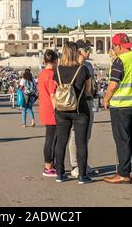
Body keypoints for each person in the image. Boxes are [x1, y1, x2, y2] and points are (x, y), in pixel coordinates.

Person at [103, 33, 132, 184]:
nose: (114, 49)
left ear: (118, 46)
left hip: (121, 106)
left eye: (114, 46)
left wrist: (106, 99)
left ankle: (123, 173)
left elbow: (113, 84)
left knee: (122, 140)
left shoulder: (119, 61)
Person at [53, 42, 92, 184]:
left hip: (61, 110)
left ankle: (60, 173)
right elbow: (88, 90)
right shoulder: (83, 69)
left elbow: (57, 88)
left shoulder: (57, 70)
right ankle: (82, 175)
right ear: (76, 53)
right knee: (81, 142)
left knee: (61, 142)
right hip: (80, 110)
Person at [69, 40, 99, 178]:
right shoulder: (71, 65)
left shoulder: (89, 65)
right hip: (76, 102)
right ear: (79, 51)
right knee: (76, 134)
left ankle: (83, 162)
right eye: (87, 50)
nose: (89, 52)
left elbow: (92, 83)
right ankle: (75, 165)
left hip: (89, 100)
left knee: (86, 135)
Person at [38, 49, 58, 177]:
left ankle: (49, 164)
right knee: (52, 139)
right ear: (56, 61)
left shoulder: (42, 73)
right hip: (52, 109)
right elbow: (53, 94)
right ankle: (48, 166)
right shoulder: (51, 74)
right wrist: (57, 110)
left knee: (50, 138)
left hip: (44, 108)